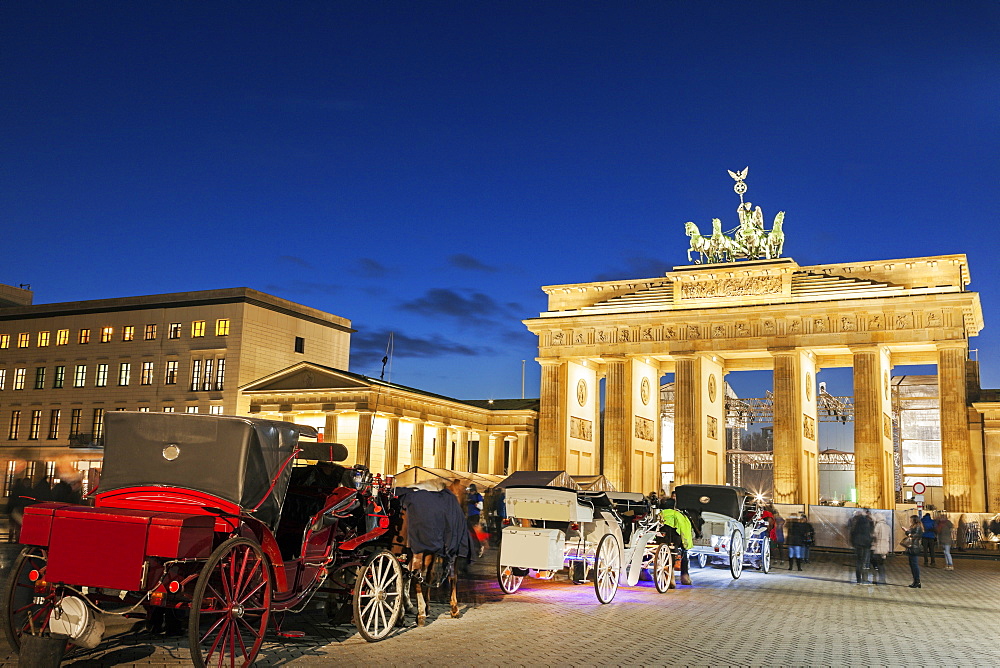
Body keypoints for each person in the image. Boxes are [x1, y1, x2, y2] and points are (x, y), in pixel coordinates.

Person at [658, 497, 694, 586]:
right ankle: (682, 576)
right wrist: (686, 545)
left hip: (659, 539)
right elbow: (685, 532)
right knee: (683, 553)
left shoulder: (658, 514)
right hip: (674, 539)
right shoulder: (678, 515)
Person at [848, 509, 874, 584]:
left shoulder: (856, 523)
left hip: (858, 544)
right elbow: (871, 533)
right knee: (865, 562)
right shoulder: (868, 522)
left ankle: (858, 579)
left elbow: (852, 533)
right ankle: (864, 579)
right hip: (866, 544)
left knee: (858, 562)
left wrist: (853, 543)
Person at [870, 514, 891, 584]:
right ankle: (882, 578)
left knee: (876, 564)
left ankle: (879, 579)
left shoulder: (878, 525)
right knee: (881, 563)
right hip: (885, 547)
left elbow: (874, 535)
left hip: (878, 547)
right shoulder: (887, 526)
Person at [904, 515, 923, 588]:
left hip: (914, 547)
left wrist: (907, 531)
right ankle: (915, 581)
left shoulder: (918, 527)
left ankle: (917, 581)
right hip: (912, 547)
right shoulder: (914, 527)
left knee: (914, 565)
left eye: (911, 519)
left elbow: (914, 536)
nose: (910, 521)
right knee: (912, 565)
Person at [466, 483, 484, 557]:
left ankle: (479, 547)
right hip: (469, 515)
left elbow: (481, 507)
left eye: (471, 491)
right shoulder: (469, 496)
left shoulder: (478, 496)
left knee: (473, 531)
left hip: (475, 515)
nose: (470, 492)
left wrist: (475, 503)